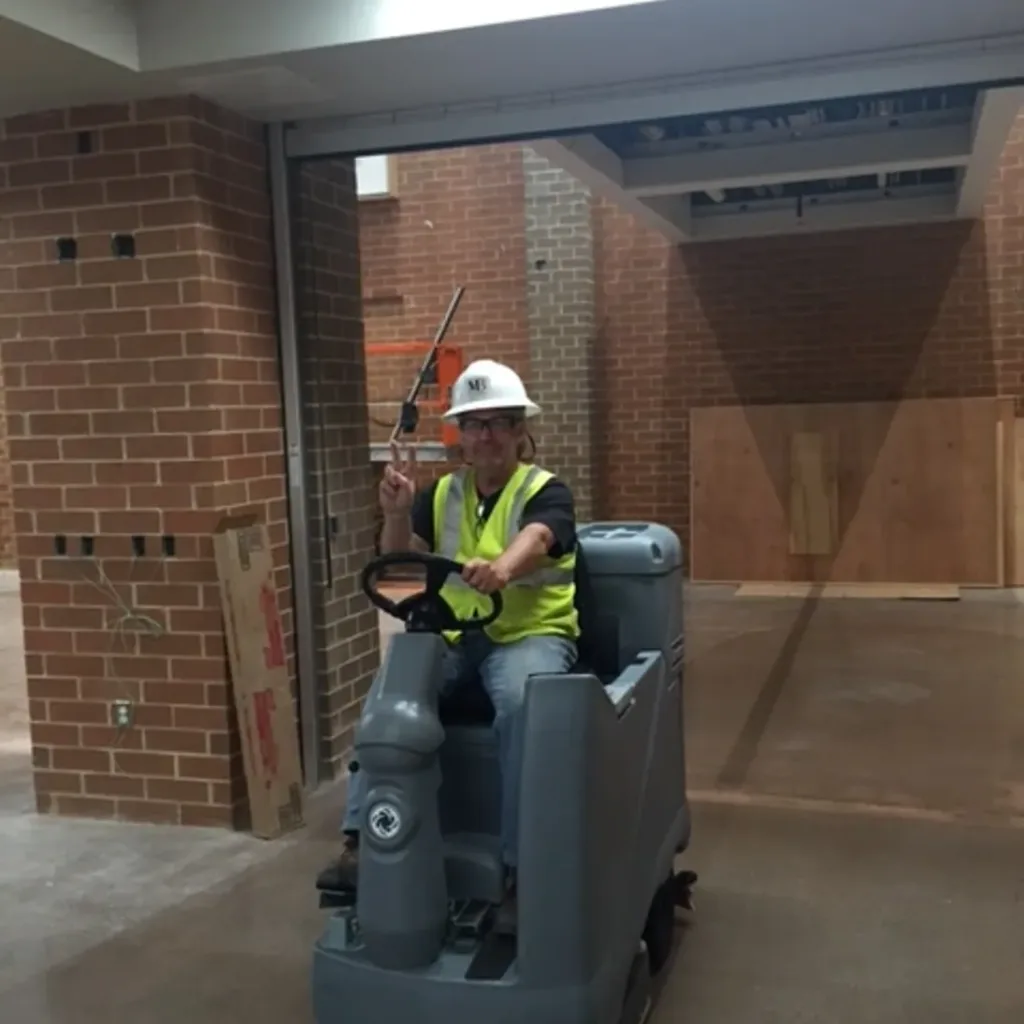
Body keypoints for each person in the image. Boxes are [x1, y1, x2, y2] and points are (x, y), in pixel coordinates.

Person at [318, 359, 579, 894]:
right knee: (391, 691)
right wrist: (395, 513)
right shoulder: (441, 494)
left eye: (499, 422)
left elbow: (540, 538)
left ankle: (520, 866)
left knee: (524, 707)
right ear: (460, 434)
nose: (486, 436)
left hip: (531, 636)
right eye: (475, 424)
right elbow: (398, 561)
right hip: (458, 635)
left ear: (520, 430)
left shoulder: (547, 490)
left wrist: (502, 569)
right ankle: (363, 841)